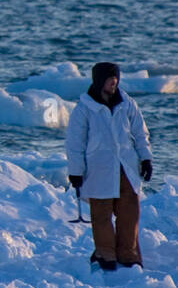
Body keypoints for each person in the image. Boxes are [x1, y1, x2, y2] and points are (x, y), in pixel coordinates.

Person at [65, 62, 154, 270]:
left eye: (116, 80)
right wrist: (75, 172)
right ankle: (106, 255)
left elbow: (141, 133)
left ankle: (129, 255)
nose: (114, 83)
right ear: (99, 81)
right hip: (98, 169)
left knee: (129, 212)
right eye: (109, 79)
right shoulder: (84, 109)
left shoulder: (127, 103)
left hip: (126, 167)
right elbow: (75, 144)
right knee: (101, 214)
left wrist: (146, 158)